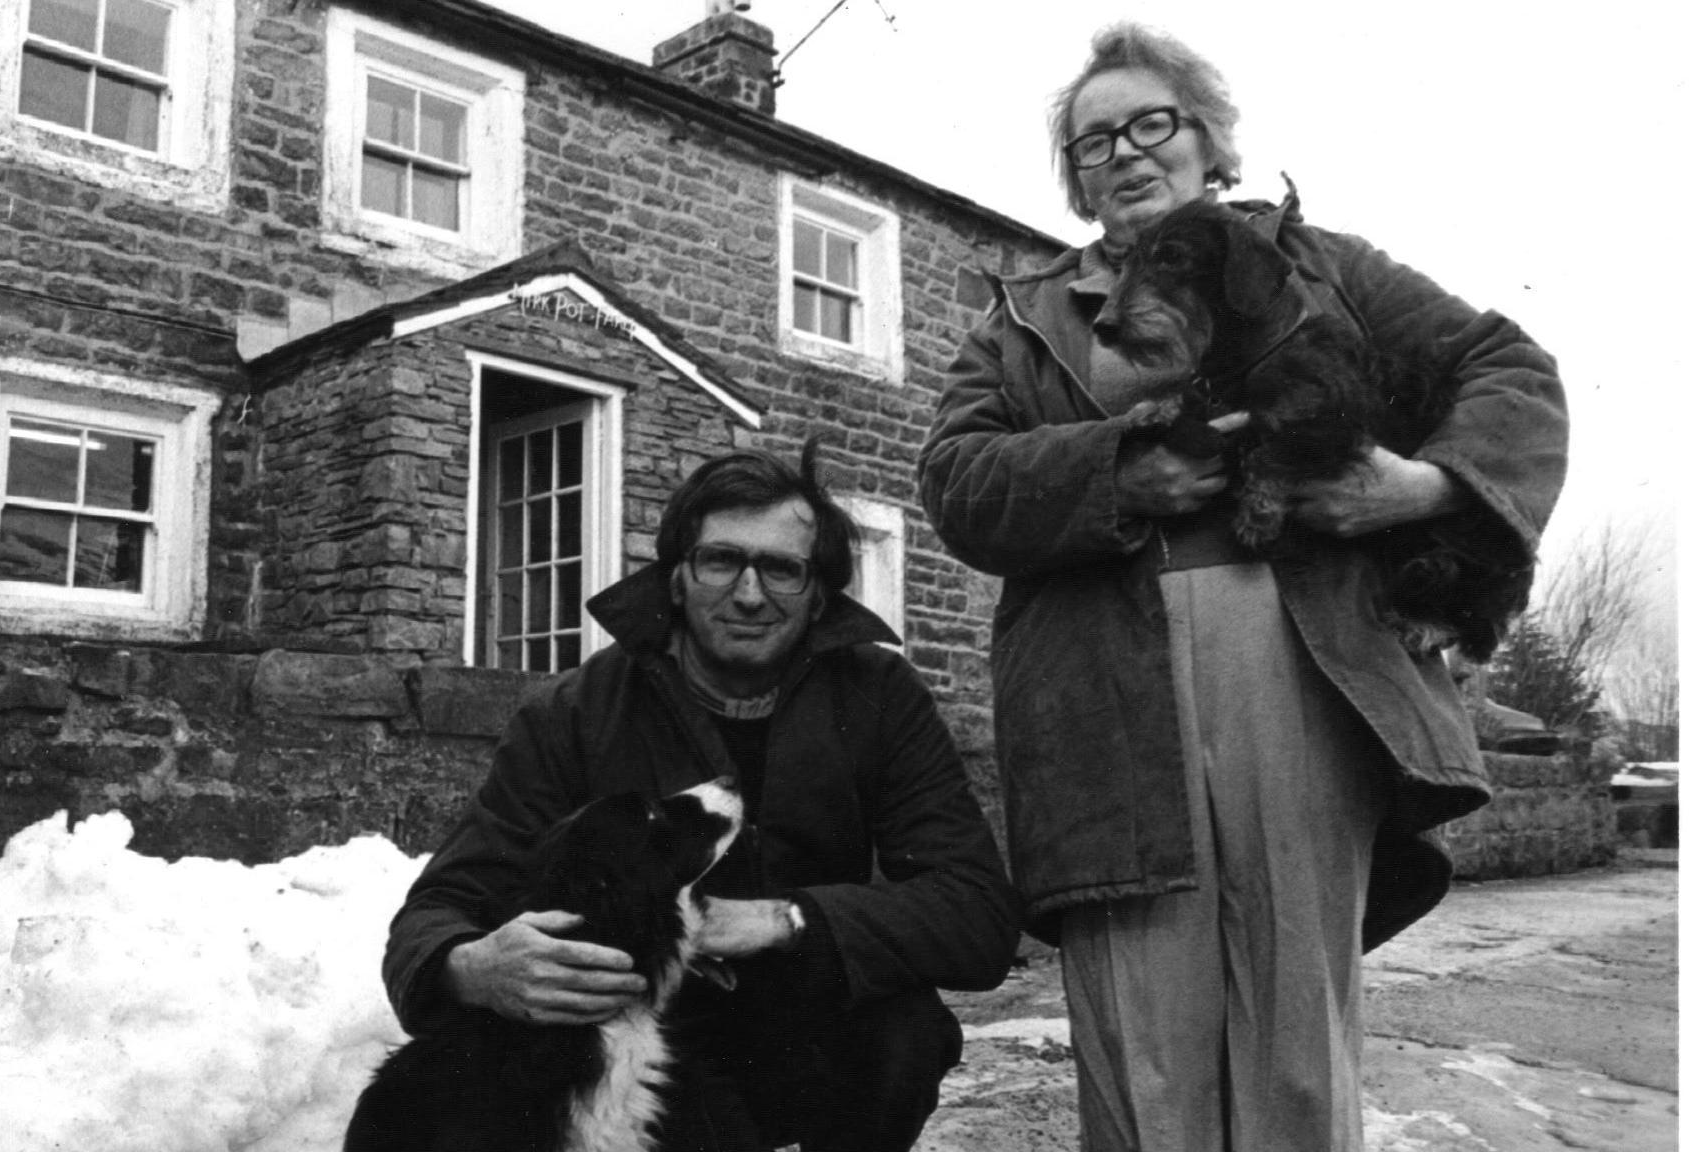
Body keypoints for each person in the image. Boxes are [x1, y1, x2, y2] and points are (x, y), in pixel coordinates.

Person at [915, 23, 1566, 1152]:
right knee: (1140, 1048)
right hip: (1099, 704)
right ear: (1072, 179)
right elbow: (957, 484)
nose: (1121, 153)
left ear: (1206, 139)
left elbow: (1511, 372)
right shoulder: (1016, 324)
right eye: (1090, 141)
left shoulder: (1327, 270)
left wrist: (1414, 488)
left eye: (1148, 123)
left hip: (1298, 670)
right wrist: (1118, 466)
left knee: (1292, 1030)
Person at [382, 440, 1019, 1152]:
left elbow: (978, 912)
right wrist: (470, 967)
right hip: (650, 1039)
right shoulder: (576, 710)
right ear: (677, 578)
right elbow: (437, 911)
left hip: (808, 1019)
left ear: (819, 594)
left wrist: (789, 919)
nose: (750, 594)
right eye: (722, 561)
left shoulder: (878, 698)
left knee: (902, 1031)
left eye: (782, 568)